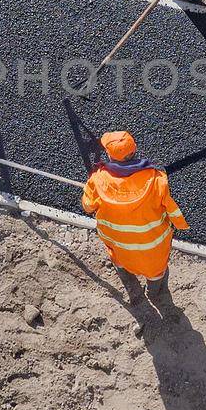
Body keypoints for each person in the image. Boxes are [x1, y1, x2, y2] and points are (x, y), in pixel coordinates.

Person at [81, 131, 188, 308]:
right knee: (155, 271)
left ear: (109, 154)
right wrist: (179, 224)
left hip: (119, 241)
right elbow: (172, 209)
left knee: (120, 260)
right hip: (152, 244)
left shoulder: (98, 179)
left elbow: (88, 206)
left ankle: (128, 279)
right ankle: (153, 293)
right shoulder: (156, 179)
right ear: (134, 150)